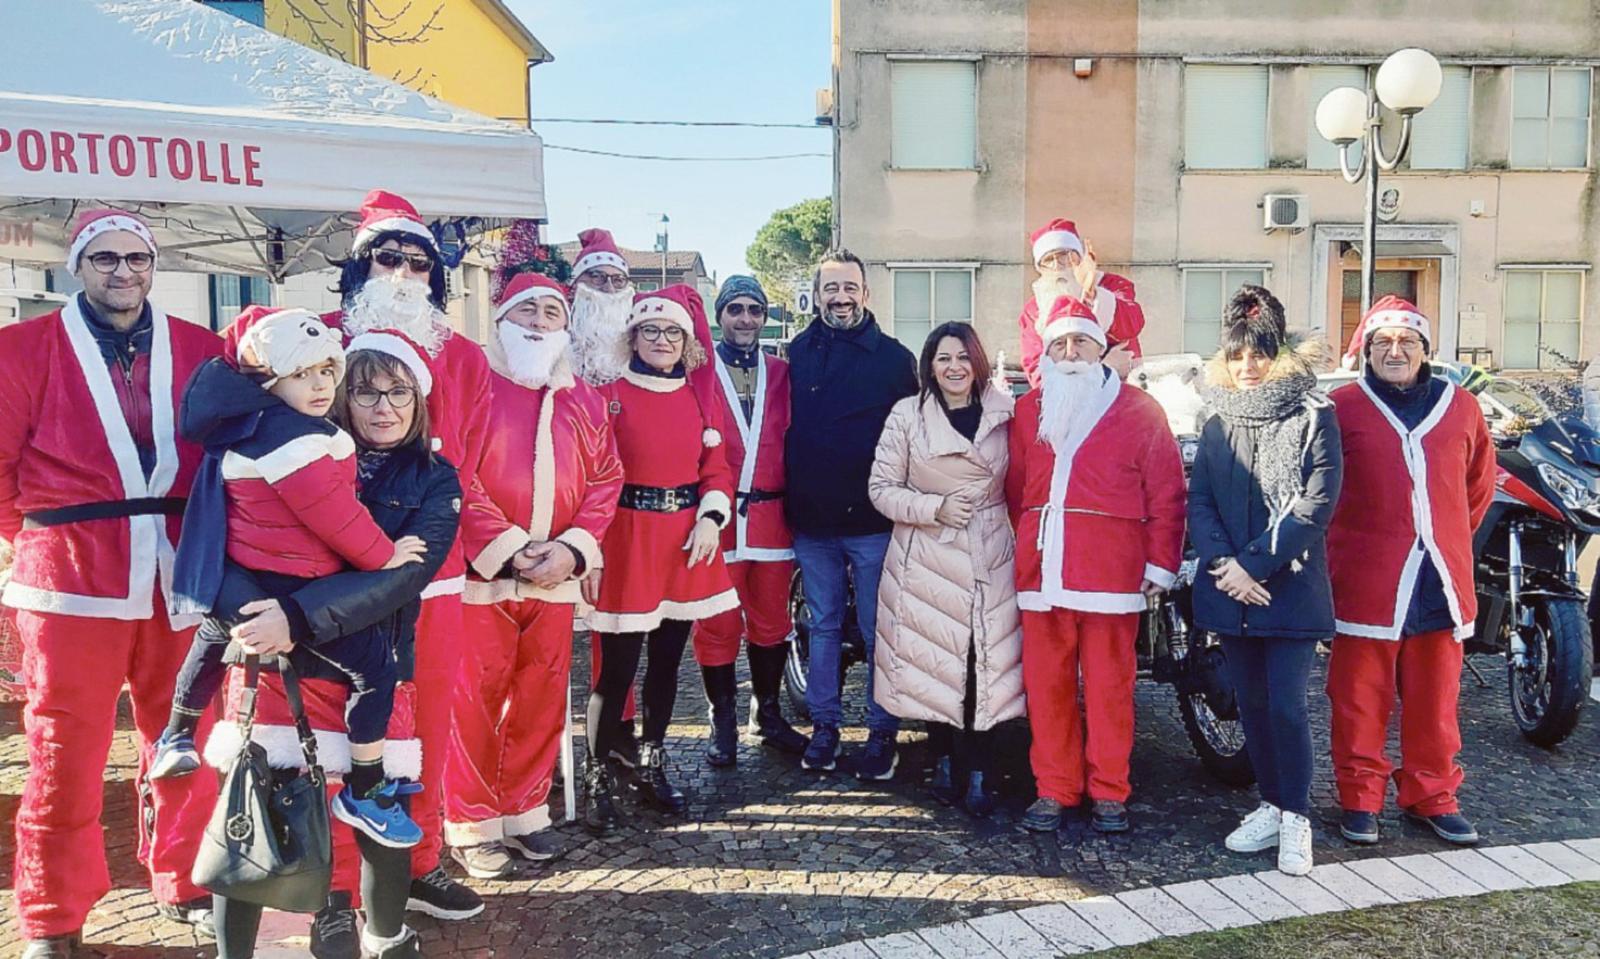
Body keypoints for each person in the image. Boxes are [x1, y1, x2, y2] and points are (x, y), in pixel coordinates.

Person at [0, 209, 222, 959]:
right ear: (78, 267)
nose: (123, 271)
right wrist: (45, 537)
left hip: (180, 573)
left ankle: (186, 878)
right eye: (105, 259)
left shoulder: (201, 348)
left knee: (187, 734)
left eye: (136, 258)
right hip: (68, 579)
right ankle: (51, 915)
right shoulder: (20, 349)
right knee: (63, 750)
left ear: (153, 265)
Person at [203, 331, 462, 959]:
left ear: (419, 400)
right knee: (256, 802)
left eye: (399, 392)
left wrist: (295, 616)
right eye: (365, 392)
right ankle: (321, 913)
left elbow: (401, 578)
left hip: (371, 663)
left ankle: (385, 934)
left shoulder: (435, 478)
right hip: (277, 665)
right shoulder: (284, 449)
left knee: (377, 805)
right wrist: (255, 618)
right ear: (341, 396)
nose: (384, 407)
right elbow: (220, 546)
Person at [157, 307, 427, 849]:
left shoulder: (248, 425)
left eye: (327, 371)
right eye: (303, 374)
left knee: (212, 636)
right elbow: (336, 517)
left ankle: (177, 733)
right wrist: (385, 555)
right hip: (294, 583)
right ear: (270, 380)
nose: (321, 385)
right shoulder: (294, 442)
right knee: (376, 669)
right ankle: (366, 786)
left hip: (245, 576)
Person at [322, 189, 491, 921]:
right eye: (387, 257)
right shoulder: (320, 339)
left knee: (427, 723)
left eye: (419, 263)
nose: (402, 273)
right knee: (338, 724)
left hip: (434, 572)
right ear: (359, 267)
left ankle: (420, 862)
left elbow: (468, 465)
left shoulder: (466, 358)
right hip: (333, 574)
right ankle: (334, 880)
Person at [446, 274, 623, 879]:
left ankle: (524, 811)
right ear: (502, 318)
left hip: (557, 577)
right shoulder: (473, 385)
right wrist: (511, 548)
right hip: (485, 575)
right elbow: (457, 472)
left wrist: (574, 550)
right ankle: (471, 822)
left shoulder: (584, 399)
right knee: (475, 699)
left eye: (552, 312)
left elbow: (606, 478)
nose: (541, 322)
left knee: (542, 697)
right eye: (528, 310)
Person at [1006, 295, 1186, 834]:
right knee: (1046, 686)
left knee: (1110, 687)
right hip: (1043, 570)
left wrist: (1161, 561)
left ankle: (1110, 789)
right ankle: (1054, 786)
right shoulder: (1029, 410)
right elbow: (1017, 489)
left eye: (1080, 341)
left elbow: (1167, 490)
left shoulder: (1139, 410)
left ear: (1100, 347)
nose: (1069, 352)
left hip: (1111, 570)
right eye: (1059, 343)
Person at [1326, 295, 1495, 848]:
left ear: (1425, 349)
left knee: (1436, 699)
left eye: (1406, 342)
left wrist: (1444, 536)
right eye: (1382, 342)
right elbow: (1321, 491)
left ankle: (1433, 795)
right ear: (1366, 350)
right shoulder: (1341, 408)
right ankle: (1360, 797)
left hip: (1440, 575)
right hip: (1366, 577)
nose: (1394, 351)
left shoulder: (1461, 406)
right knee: (1358, 696)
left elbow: (1477, 486)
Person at [1187, 286, 1342, 877]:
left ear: (1279, 356)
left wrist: (1254, 565)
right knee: (1250, 705)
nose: (1248, 366)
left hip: (1289, 586)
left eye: (1259, 354)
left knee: (1285, 705)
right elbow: (1201, 501)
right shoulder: (1217, 421)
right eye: (1237, 356)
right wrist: (1226, 566)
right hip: (1232, 590)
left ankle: (1296, 815)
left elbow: (1315, 503)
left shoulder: (1313, 417)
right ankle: (1271, 805)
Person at [584, 285, 739, 836]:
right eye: (650, 330)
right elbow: (592, 474)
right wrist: (590, 547)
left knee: (669, 662)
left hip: (682, 541)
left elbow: (716, 469)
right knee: (617, 668)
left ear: (686, 341)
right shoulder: (608, 395)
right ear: (633, 338)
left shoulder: (699, 399)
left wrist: (711, 517)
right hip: (627, 539)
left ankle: (651, 759)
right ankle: (598, 772)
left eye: (672, 331)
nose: (661, 340)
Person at [869, 322, 1021, 817]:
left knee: (985, 659)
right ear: (929, 367)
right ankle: (944, 760)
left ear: (977, 361)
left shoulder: (1006, 412)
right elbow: (880, 489)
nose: (954, 367)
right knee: (935, 659)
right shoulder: (907, 415)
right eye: (943, 358)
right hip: (928, 552)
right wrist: (934, 508)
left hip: (990, 548)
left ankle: (980, 766)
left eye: (962, 357)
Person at [786, 249, 919, 779]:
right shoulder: (797, 353)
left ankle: (883, 730)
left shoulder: (895, 359)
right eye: (830, 288)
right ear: (817, 295)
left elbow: (914, 435)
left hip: (873, 520)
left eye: (849, 288)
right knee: (821, 626)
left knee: (878, 627)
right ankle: (825, 727)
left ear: (866, 293)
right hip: (813, 518)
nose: (840, 298)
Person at [693, 276, 808, 766]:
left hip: (772, 518)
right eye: (735, 309)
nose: (745, 318)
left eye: (754, 310)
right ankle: (722, 719)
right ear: (720, 315)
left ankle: (769, 713)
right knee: (717, 622)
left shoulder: (783, 372)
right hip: (717, 521)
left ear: (765, 316)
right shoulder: (699, 372)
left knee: (771, 621)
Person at [1017, 219, 1145, 387]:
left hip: (1125, 389)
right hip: (1068, 397)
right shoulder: (1034, 310)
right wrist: (1104, 370)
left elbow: (1132, 323)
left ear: (1079, 256)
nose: (1057, 265)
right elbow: (1037, 372)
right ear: (1040, 267)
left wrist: (1093, 293)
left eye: (1064, 255)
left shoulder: (1111, 285)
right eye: (1048, 260)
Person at [567, 227, 635, 388]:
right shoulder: (557, 332)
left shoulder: (640, 335)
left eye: (618, 280)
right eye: (597, 277)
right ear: (576, 283)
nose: (609, 288)